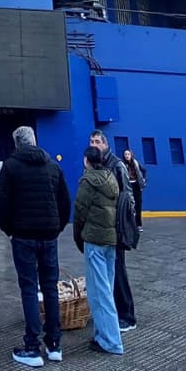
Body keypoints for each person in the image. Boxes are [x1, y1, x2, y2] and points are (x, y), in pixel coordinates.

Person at [0, 124, 71, 368]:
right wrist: (56, 227)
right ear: (34, 140)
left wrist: (9, 229)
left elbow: (2, 203)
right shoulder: (52, 165)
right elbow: (64, 201)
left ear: (16, 143)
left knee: (29, 288)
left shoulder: (10, 166)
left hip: (23, 236)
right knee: (50, 287)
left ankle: (32, 346)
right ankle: (54, 344)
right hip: (49, 236)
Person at [74, 146, 124, 356]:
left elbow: (80, 210)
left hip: (94, 240)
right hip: (111, 241)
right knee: (107, 290)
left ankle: (111, 342)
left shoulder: (88, 180)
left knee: (98, 293)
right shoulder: (110, 178)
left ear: (86, 160)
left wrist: (79, 236)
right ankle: (102, 335)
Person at [90, 131, 138, 331]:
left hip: (115, 228)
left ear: (106, 144)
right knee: (106, 274)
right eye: (91, 141)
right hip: (102, 229)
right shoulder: (96, 164)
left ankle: (127, 316)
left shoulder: (116, 165)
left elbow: (127, 198)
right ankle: (112, 312)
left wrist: (123, 226)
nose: (94, 144)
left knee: (118, 272)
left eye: (97, 141)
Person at [121, 148, 147, 229]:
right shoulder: (122, 164)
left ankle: (138, 225)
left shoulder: (135, 162)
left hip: (136, 185)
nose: (127, 156)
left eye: (128, 154)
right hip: (127, 186)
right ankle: (129, 224)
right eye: (125, 154)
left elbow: (144, 170)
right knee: (128, 205)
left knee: (138, 205)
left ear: (131, 155)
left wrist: (144, 180)